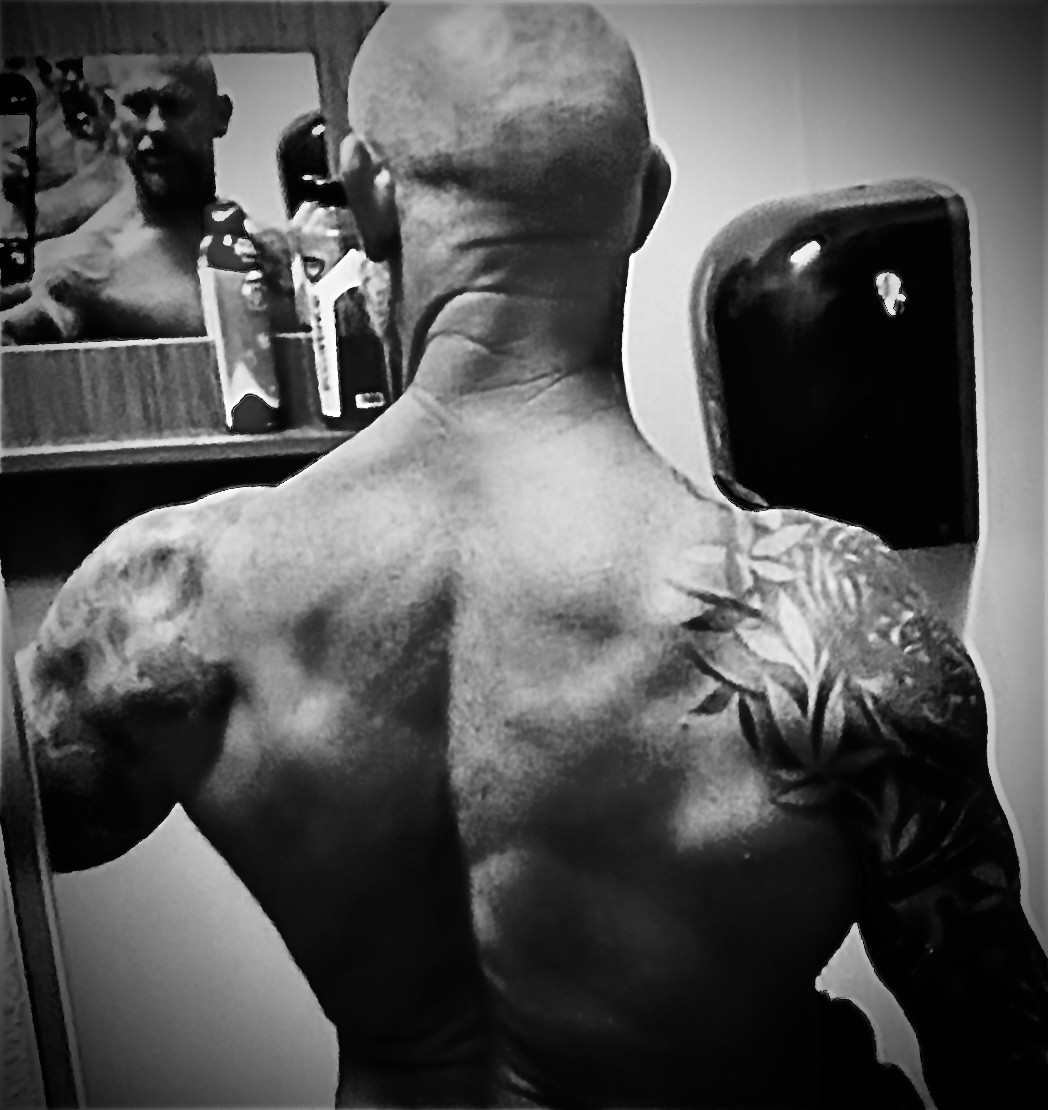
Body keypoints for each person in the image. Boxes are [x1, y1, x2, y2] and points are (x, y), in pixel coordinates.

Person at [14, 5, 1047, 1109]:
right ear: (648, 198)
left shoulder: (169, 594)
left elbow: (44, 840)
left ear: (364, 191)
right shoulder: (828, 625)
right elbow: (1004, 1053)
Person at [0, 54, 292, 343]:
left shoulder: (278, 256)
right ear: (112, 114)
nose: (156, 126)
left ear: (220, 115)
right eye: (138, 106)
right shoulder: (76, 269)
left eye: (174, 105)